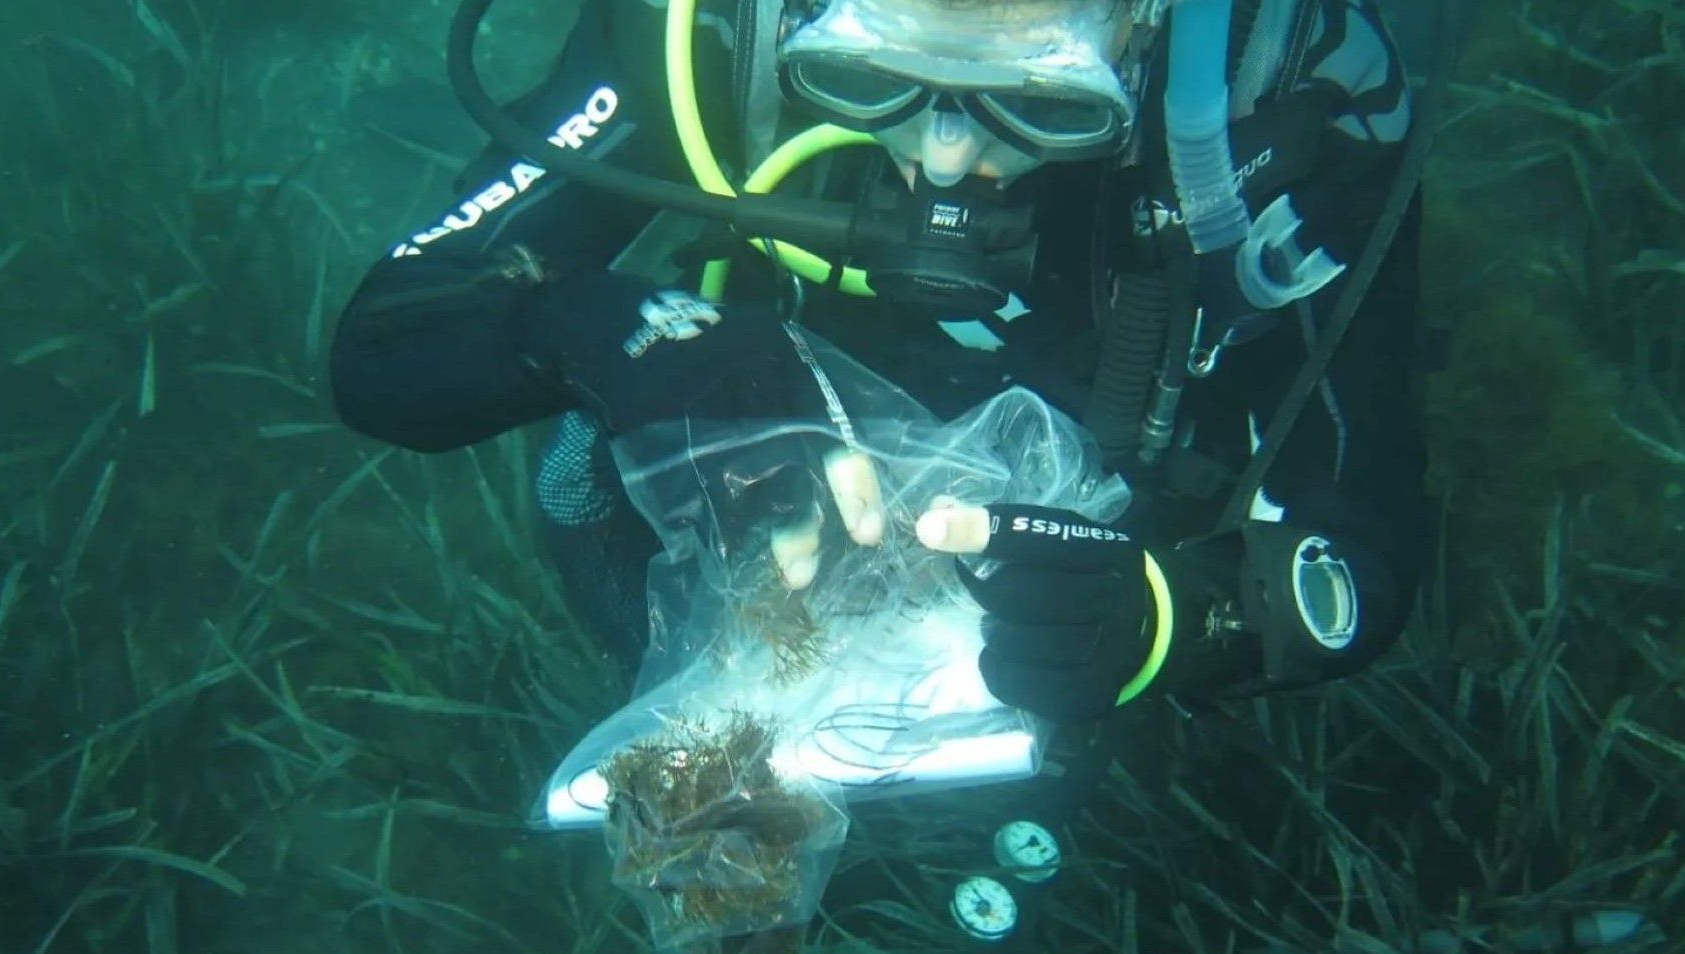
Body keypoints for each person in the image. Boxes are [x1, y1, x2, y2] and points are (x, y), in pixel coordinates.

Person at [331, 0, 1431, 723]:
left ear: (1142, 24)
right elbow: (391, 343)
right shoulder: (711, 30)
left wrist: (1178, 617)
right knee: (580, 468)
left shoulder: (1291, 84)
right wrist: (620, 332)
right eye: (868, 77)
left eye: (1040, 98)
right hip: (767, 488)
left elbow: (1367, 531)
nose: (946, 153)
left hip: (1112, 503)